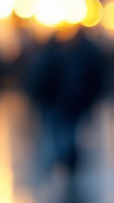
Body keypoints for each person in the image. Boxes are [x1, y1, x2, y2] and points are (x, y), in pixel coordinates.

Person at [31, 29, 106, 173]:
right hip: (66, 100)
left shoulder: (53, 57)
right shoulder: (76, 55)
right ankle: (67, 156)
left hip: (61, 101)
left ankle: (64, 156)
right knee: (66, 130)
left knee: (60, 129)